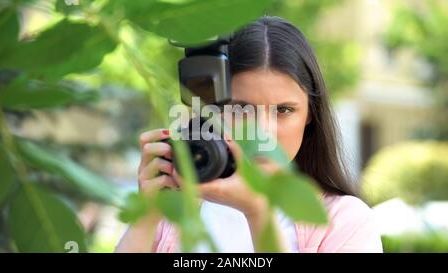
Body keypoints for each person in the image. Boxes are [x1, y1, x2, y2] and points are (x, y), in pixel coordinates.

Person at [115, 16, 383, 253]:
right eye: (242, 109)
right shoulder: (172, 210)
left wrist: (258, 213)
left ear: (310, 115)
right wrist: (147, 213)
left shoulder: (345, 220)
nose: (262, 131)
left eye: (284, 110)